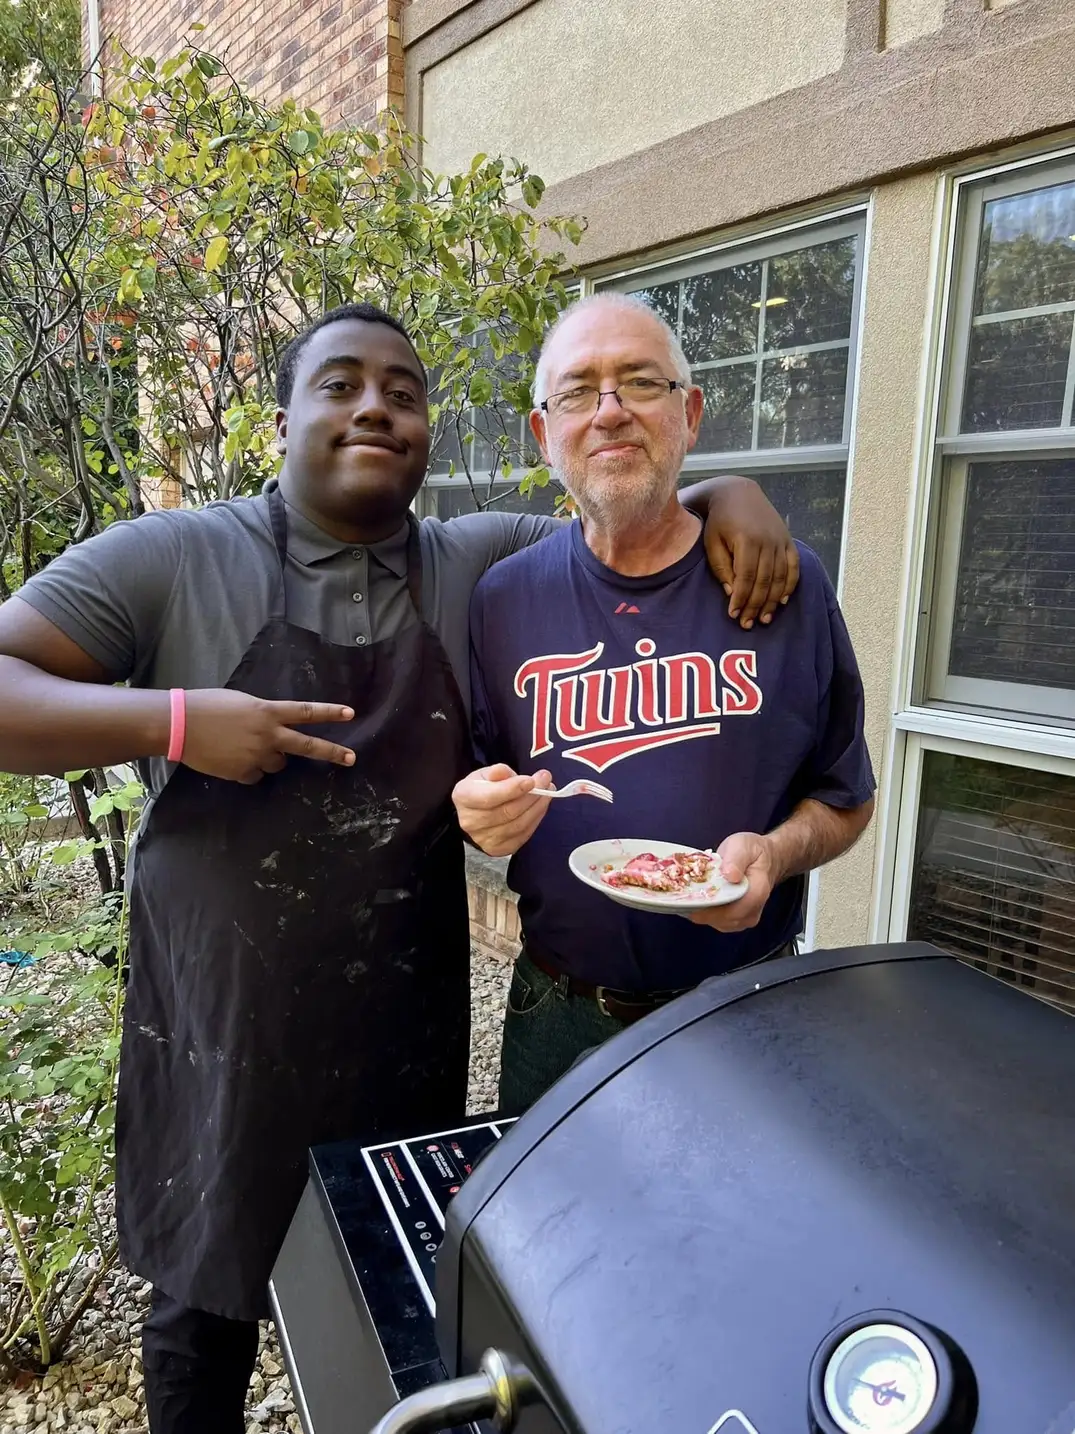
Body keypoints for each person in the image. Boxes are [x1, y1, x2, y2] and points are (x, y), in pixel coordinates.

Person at [0, 302, 799, 1434]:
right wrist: (176, 722)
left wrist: (733, 496)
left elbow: (624, 514)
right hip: (221, 1031)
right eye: (341, 385)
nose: (375, 404)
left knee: (394, 1303)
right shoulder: (174, 558)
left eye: (404, 391)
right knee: (201, 1313)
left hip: (398, 1023)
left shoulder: (475, 562)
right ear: (279, 423)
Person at [452, 293, 877, 1117]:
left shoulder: (782, 586)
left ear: (689, 414)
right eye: (577, 391)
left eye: (639, 383)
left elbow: (845, 800)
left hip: (744, 1006)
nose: (608, 412)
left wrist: (778, 855)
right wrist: (476, 813)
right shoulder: (501, 601)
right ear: (545, 436)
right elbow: (478, 777)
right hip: (557, 1013)